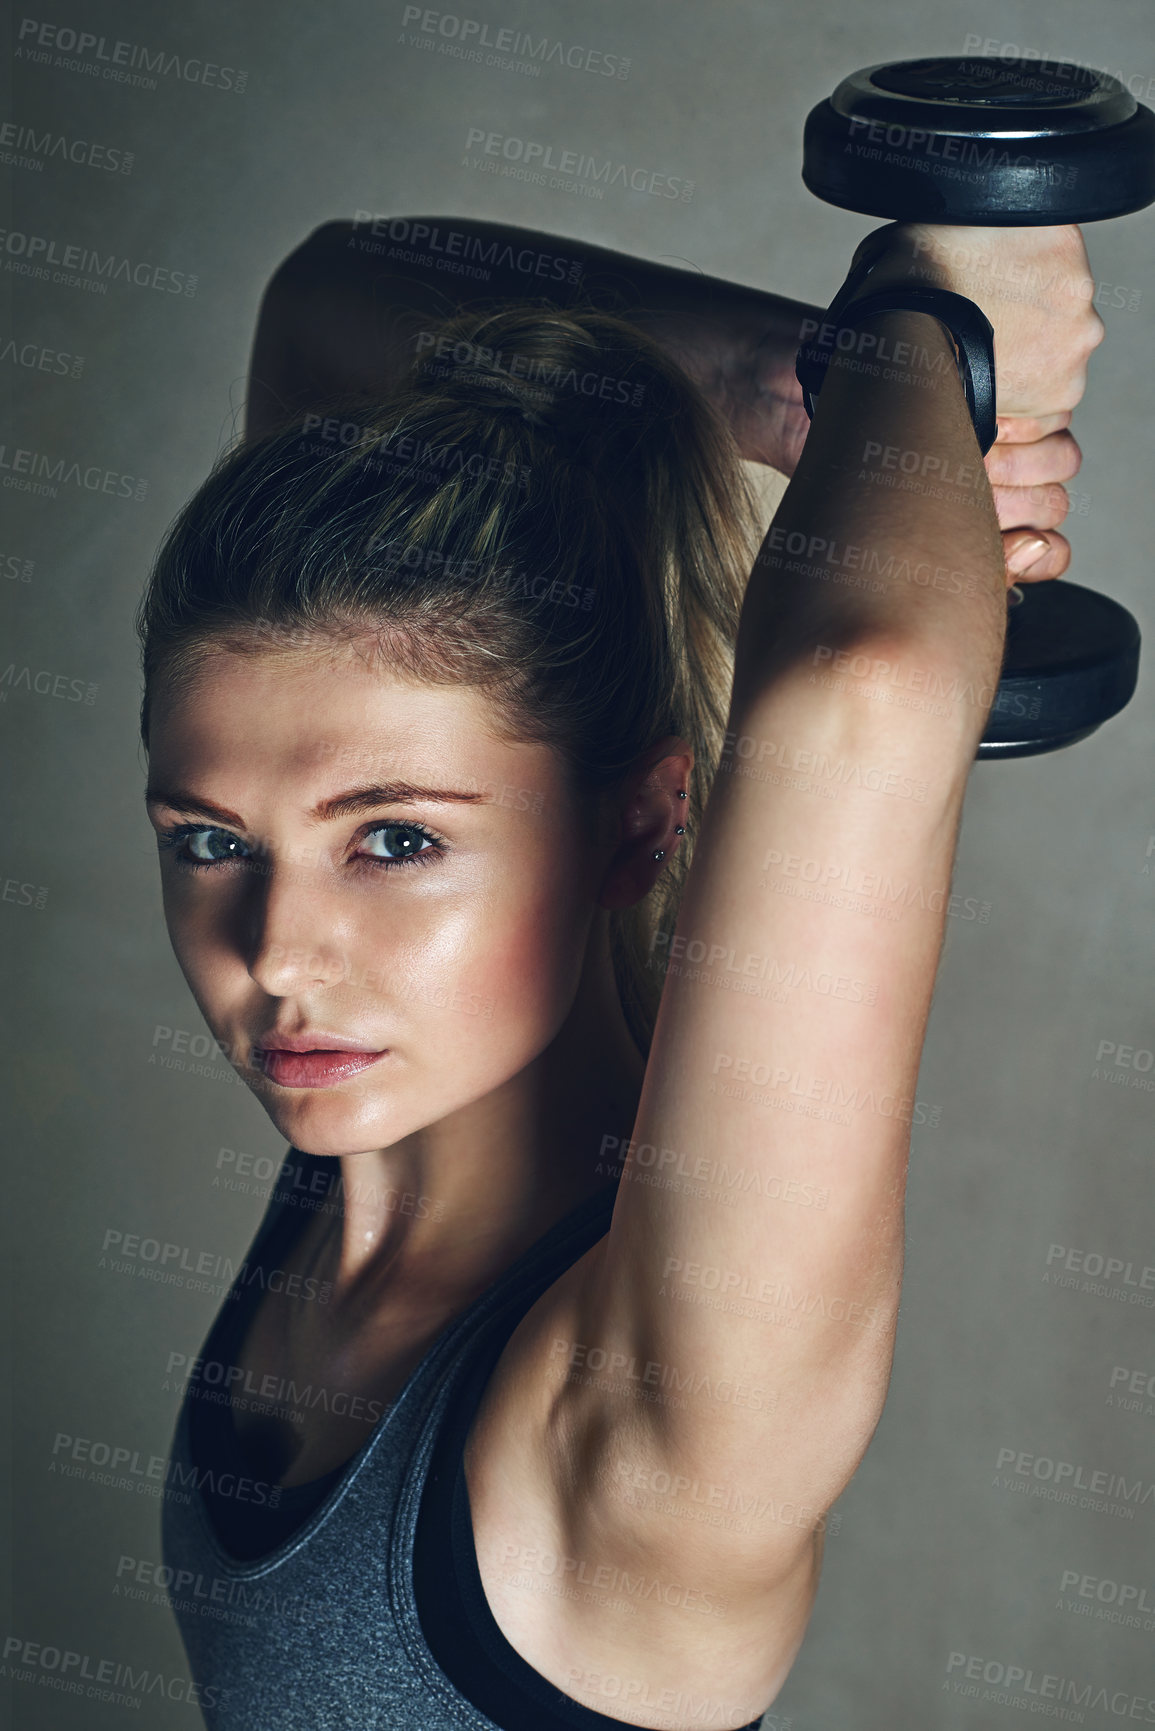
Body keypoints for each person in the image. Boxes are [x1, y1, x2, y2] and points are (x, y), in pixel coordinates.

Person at [141, 217, 1099, 1729]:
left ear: (641, 823)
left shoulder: (642, 1420)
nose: (276, 955)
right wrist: (810, 387)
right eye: (209, 845)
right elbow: (329, 300)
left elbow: (867, 683)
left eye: (391, 842)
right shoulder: (376, 1123)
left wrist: (926, 327)